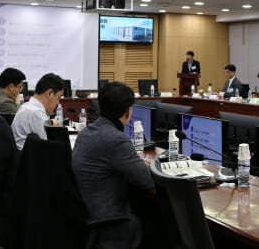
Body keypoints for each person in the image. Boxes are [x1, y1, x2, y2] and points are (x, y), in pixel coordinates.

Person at [72, 82, 155, 249]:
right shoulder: (116, 139)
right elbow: (147, 181)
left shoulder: (86, 131)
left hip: (87, 215)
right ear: (128, 111)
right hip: (110, 224)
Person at [11, 73, 64, 150]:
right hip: (29, 156)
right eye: (58, 97)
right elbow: (46, 147)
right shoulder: (36, 113)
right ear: (50, 93)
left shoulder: (27, 106)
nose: (57, 102)